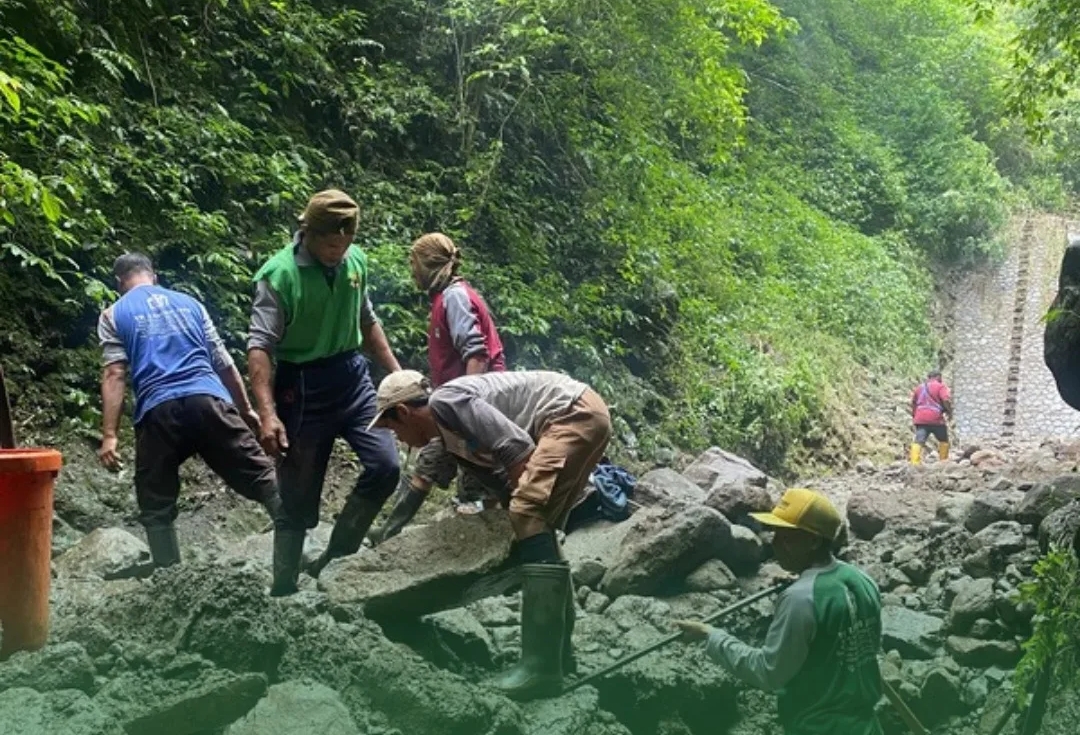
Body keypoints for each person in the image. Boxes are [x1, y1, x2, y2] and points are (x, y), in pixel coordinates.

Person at [371, 369, 611, 700]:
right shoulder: (449, 437)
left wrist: (522, 510)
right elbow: (498, 479)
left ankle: (539, 670)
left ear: (403, 411)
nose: (396, 438)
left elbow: (514, 447)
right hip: (581, 412)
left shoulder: (446, 401)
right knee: (539, 527)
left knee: (528, 514)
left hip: (570, 413)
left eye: (392, 427)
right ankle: (559, 657)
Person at [247, 189, 402, 595]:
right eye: (333, 244)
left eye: (346, 243)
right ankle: (283, 586)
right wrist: (267, 413)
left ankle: (335, 560)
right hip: (301, 386)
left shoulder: (356, 262)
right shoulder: (278, 276)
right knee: (296, 499)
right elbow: (260, 347)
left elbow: (367, 321)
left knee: (386, 465)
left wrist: (399, 376)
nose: (340, 251)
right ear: (308, 232)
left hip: (351, 377)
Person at [97, 253, 288, 574]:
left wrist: (110, 436)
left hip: (159, 411)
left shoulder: (114, 313)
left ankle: (169, 577)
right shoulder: (191, 304)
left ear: (119, 283)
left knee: (155, 501)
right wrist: (246, 411)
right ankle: (292, 551)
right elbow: (223, 361)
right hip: (209, 400)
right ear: (153, 276)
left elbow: (115, 374)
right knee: (261, 474)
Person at [674, 489, 883, 735]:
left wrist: (711, 636)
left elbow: (769, 672)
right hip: (866, 726)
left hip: (817, 727)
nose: (773, 543)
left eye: (785, 536)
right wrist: (800, 581)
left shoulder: (800, 599)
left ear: (814, 541)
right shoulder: (862, 580)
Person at [368, 232, 507, 544]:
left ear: (428, 264)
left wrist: (467, 404)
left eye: (414, 264)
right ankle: (389, 532)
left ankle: (489, 538)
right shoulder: (448, 297)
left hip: (471, 402)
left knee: (475, 474)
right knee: (429, 464)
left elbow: (476, 353)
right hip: (456, 402)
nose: (412, 272)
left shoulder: (456, 297)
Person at [910, 370, 952, 463]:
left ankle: (914, 463)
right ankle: (943, 461)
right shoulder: (940, 386)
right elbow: (946, 399)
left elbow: (913, 403)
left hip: (920, 418)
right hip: (935, 418)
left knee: (918, 441)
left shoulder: (919, 388)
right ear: (938, 377)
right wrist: (949, 411)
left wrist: (914, 415)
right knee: (943, 440)